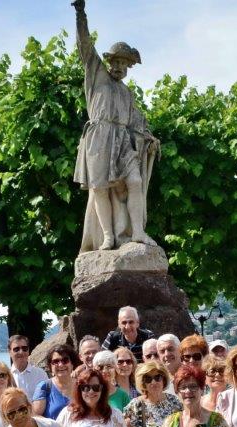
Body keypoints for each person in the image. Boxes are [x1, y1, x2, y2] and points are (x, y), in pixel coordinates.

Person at [73, 0, 159, 253]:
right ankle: (108, 237)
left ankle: (139, 233)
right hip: (99, 137)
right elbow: (85, 46)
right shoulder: (96, 75)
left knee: (135, 181)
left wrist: (149, 137)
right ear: (109, 62)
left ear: (129, 67)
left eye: (125, 63)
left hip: (122, 140)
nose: (120, 66)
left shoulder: (127, 93)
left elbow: (136, 123)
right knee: (99, 188)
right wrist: (81, 15)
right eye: (117, 61)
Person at [32, 344, 78, 419]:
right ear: (50, 366)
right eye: (55, 361)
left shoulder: (82, 385)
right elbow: (36, 418)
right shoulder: (44, 387)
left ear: (72, 364)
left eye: (65, 360)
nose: (60, 365)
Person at [8, 334, 47, 399]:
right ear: (9, 352)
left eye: (24, 348)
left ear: (28, 351)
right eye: (16, 349)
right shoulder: (5, 376)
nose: (21, 352)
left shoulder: (40, 374)